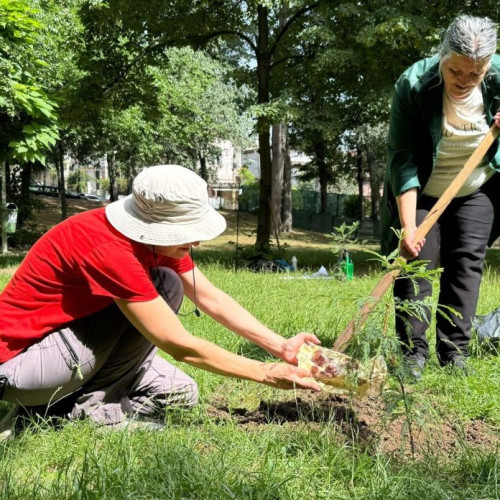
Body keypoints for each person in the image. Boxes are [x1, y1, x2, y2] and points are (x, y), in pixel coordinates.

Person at [0, 164, 321, 431]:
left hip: (68, 358)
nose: (195, 240)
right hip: (20, 367)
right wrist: (265, 373)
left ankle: (57, 411)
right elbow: (178, 344)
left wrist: (282, 347)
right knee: (160, 287)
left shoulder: (155, 243)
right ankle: (86, 413)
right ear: (153, 226)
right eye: (185, 231)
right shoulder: (110, 249)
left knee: (181, 393)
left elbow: (210, 298)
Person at [380, 15, 500, 378]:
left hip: (476, 186)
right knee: (416, 265)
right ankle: (412, 354)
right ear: (442, 56)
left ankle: (454, 353)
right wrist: (408, 227)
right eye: (455, 72)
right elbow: (402, 160)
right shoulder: (414, 85)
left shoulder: (497, 75)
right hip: (423, 192)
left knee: (466, 265)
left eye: (474, 75)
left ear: (487, 67)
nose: (464, 81)